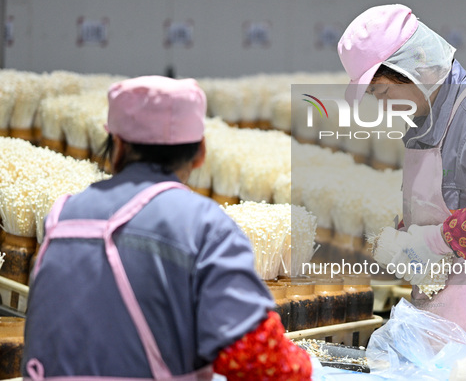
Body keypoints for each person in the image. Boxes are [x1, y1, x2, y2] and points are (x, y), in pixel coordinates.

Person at [22, 76, 312, 380]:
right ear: (200, 153)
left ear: (117, 145)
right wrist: (307, 367)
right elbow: (259, 359)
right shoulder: (203, 225)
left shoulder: (63, 215)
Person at [337, 4, 466, 341]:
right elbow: (454, 197)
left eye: (381, 91)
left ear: (413, 65)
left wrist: (437, 241)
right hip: (451, 300)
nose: (383, 105)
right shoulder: (427, 118)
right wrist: (407, 240)